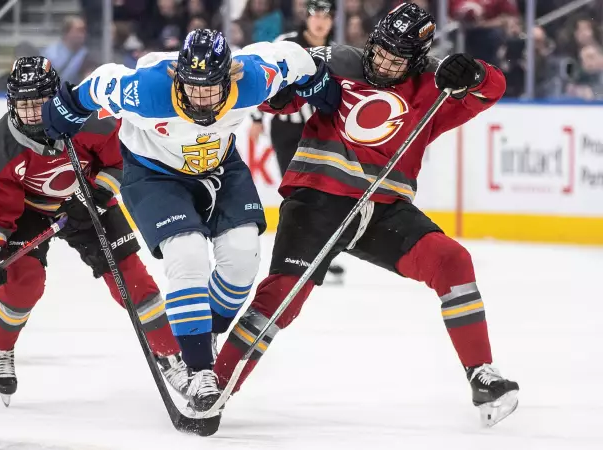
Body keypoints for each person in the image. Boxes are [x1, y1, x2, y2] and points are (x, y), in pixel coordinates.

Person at [213, 3, 520, 427]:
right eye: (381, 50)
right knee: (283, 296)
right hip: (316, 200)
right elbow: (280, 84)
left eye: (398, 58)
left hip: (385, 209)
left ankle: (482, 374)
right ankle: (217, 382)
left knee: (452, 261)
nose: (384, 62)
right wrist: (276, 93)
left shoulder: (434, 85)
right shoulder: (338, 61)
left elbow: (493, 88)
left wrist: (475, 74)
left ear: (416, 60)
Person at [40, 29, 338, 413]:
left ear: (227, 77)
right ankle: (199, 369)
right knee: (188, 256)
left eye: (209, 89)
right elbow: (98, 84)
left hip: (220, 167)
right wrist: (64, 109)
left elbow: (292, 57)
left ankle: (204, 333)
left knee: (243, 257)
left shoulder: (250, 80)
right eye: (191, 88)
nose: (199, 99)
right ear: (178, 77)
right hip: (153, 173)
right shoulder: (146, 90)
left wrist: (319, 83)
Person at [0, 56, 189, 406]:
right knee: (24, 283)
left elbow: (121, 160)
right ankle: (1, 349)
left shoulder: (92, 118)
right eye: (24, 105)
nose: (34, 113)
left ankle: (170, 356)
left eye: (40, 103)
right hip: (29, 212)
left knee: (135, 281)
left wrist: (98, 192)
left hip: (89, 200)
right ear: (11, 103)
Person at [249, 0, 346, 284]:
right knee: (299, 195)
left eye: (326, 16)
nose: (320, 21)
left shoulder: (338, 51)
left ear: (333, 21)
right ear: (307, 17)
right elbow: (263, 75)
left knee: (327, 195)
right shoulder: (287, 44)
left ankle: (316, 256)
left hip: (322, 131)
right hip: (288, 131)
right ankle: (299, 257)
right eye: (316, 15)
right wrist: (256, 119)